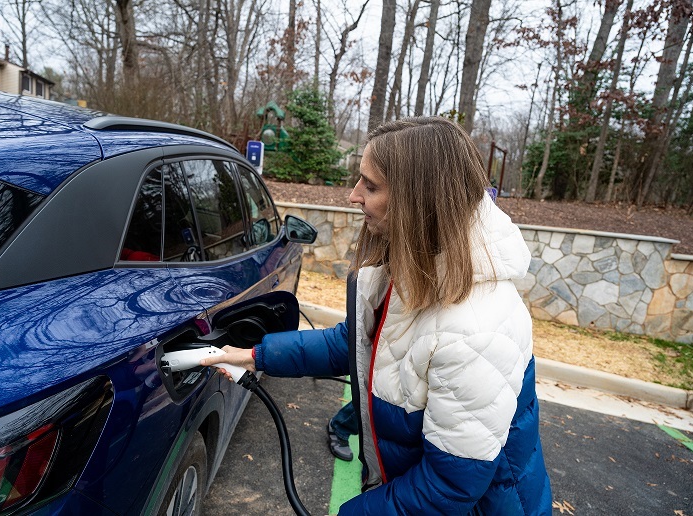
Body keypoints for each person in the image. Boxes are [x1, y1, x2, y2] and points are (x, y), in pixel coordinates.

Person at [202, 116, 552, 514]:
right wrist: (254, 354)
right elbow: (353, 342)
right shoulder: (412, 267)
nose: (353, 196)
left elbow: (449, 486)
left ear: (418, 199)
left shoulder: (475, 328)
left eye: (370, 185)